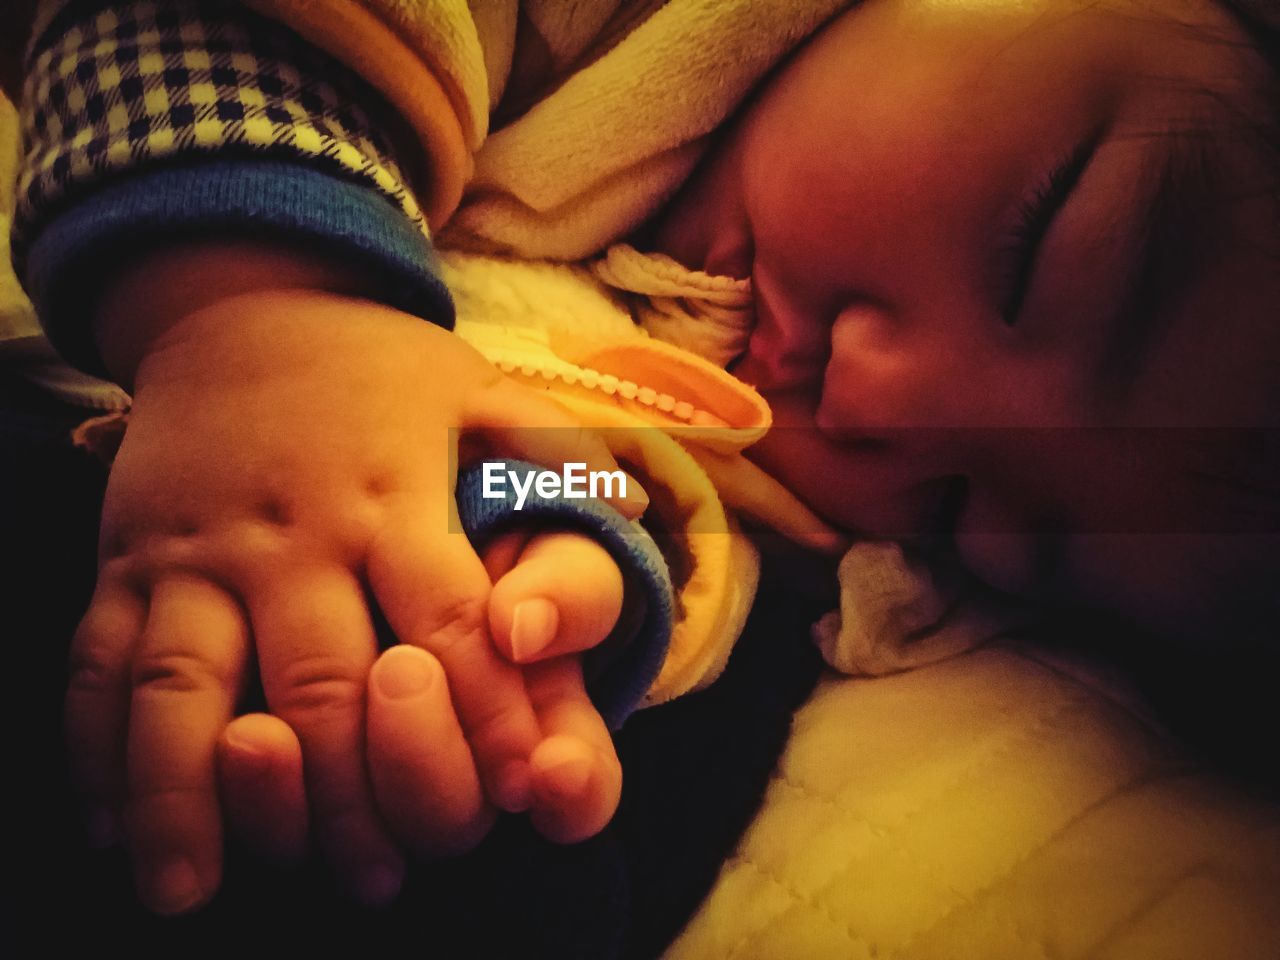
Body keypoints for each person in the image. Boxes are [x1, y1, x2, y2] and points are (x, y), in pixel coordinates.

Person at [3, 0, 1277, 933]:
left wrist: (536, 551)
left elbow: (628, 467)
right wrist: (258, 323)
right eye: (1030, 245)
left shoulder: (776, 466)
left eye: (974, 513)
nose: (875, 401)